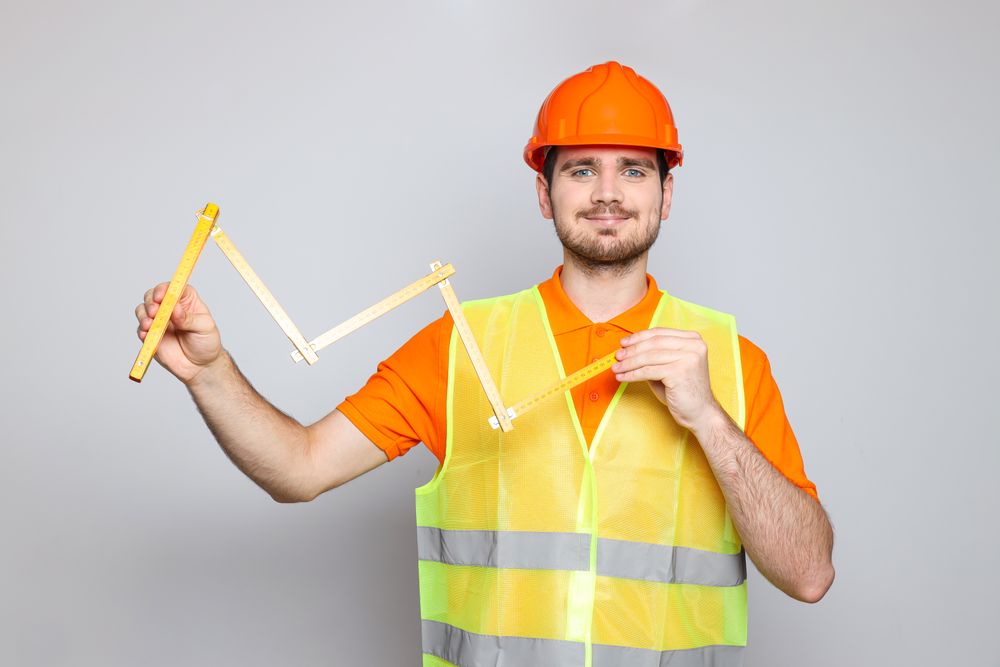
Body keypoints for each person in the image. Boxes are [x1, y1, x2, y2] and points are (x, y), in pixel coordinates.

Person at [135, 61, 834, 666]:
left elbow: (808, 573)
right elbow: (299, 466)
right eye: (582, 169)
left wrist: (708, 417)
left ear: (666, 194)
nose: (608, 193)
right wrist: (209, 371)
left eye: (634, 169)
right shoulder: (462, 346)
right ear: (544, 191)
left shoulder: (733, 363)